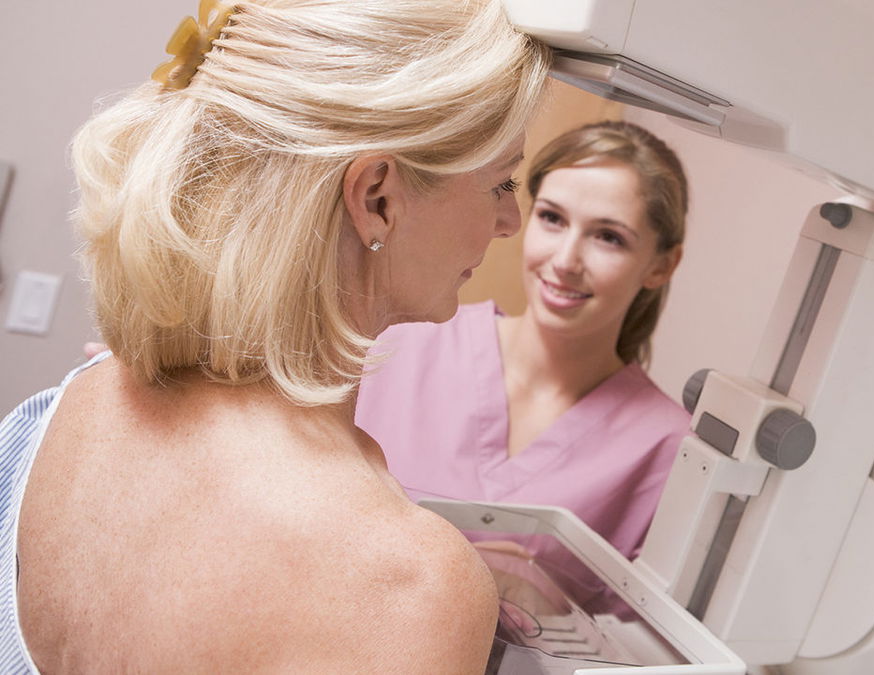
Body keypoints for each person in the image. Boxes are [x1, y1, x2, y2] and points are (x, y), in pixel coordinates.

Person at [0, 0, 549, 671]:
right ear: (376, 198)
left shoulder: (63, 408)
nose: (510, 220)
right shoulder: (409, 586)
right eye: (501, 182)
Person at [355, 121, 691, 567]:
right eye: (552, 218)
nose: (566, 261)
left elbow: (629, 612)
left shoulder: (667, 446)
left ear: (661, 265)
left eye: (608, 237)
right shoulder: (398, 341)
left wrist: (539, 595)